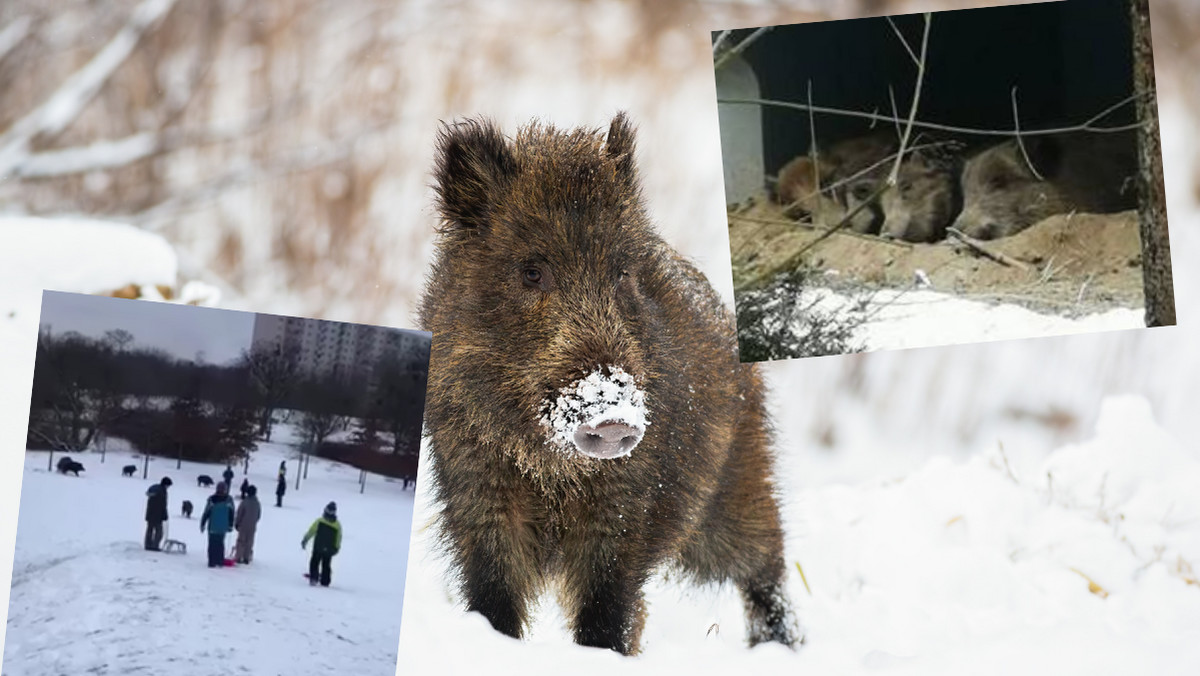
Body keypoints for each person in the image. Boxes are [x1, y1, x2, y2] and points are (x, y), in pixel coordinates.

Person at [301, 502, 342, 587]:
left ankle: (314, 578)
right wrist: (336, 547)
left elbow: (311, 531)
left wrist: (306, 539)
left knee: (314, 562)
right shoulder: (337, 525)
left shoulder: (320, 521)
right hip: (329, 549)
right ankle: (325, 580)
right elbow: (338, 537)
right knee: (326, 564)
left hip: (318, 547)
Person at [200, 482, 236, 568]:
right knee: (220, 543)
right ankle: (219, 561)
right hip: (222, 526)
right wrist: (230, 525)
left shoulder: (212, 499)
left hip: (212, 525)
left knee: (212, 543)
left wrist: (203, 523)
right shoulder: (229, 500)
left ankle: (212, 561)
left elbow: (206, 512)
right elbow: (232, 513)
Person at [234, 485, 262, 564]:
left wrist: (237, 522)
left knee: (241, 541)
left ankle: (239, 557)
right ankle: (246, 557)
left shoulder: (245, 502)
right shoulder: (257, 503)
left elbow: (240, 513)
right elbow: (258, 515)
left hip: (243, 524)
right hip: (252, 525)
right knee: (249, 541)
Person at [144, 477, 172, 551]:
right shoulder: (162, 492)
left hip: (150, 513)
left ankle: (148, 545)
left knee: (150, 529)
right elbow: (162, 505)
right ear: (165, 484)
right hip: (157, 515)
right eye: (168, 486)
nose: (168, 487)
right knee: (159, 532)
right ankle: (154, 546)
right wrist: (164, 514)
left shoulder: (155, 489)